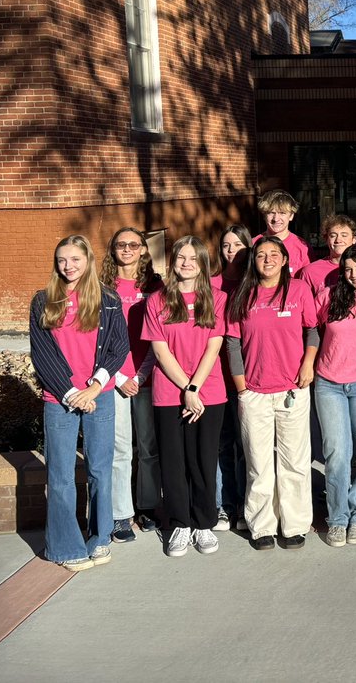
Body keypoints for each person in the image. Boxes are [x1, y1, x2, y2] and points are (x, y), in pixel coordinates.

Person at [29, 235, 129, 571]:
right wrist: (72, 393)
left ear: (88, 260)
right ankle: (65, 546)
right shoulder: (43, 301)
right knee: (59, 475)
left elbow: (119, 347)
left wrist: (95, 386)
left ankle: (100, 540)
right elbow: (42, 355)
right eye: (62, 260)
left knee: (100, 469)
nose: (68, 266)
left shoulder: (109, 300)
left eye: (75, 259)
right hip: (59, 399)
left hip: (98, 396)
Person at [226, 236, 317, 551]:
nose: (267, 259)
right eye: (261, 254)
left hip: (293, 388)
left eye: (273, 254)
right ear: (254, 260)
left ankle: (293, 525)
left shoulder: (299, 290)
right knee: (259, 463)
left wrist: (308, 364)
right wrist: (241, 386)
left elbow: (313, 330)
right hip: (255, 392)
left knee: (294, 462)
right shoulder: (242, 294)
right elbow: (233, 343)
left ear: (284, 258)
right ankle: (262, 526)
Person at [143, 235, 228, 558]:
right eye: (181, 257)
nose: (187, 263)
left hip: (210, 392)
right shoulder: (157, 301)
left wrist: (195, 388)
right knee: (174, 462)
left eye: (194, 257)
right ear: (173, 261)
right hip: (168, 394)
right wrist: (186, 389)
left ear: (203, 263)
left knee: (203, 460)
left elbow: (214, 345)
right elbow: (160, 352)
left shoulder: (217, 299)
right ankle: (180, 523)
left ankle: (203, 523)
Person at [309, 244, 356, 547]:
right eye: (347, 269)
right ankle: (338, 517)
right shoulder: (328, 297)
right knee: (337, 453)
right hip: (329, 383)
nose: (353, 274)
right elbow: (310, 330)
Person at [99, 227, 163, 543]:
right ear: (113, 251)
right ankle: (121, 514)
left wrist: (140, 374)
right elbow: (97, 339)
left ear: (142, 250)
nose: (127, 249)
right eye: (121, 244)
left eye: (133, 244)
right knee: (121, 449)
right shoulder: (102, 289)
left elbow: (159, 335)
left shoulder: (155, 287)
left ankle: (149, 506)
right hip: (113, 379)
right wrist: (121, 377)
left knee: (150, 448)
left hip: (147, 377)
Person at [211, 224, 252, 531]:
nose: (231, 251)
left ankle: (246, 505)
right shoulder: (210, 283)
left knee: (248, 446)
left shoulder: (255, 284)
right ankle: (225, 505)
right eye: (226, 245)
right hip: (216, 378)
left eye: (237, 245)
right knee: (223, 445)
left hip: (249, 378)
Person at [299, 213, 356, 294]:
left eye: (344, 235)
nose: (338, 240)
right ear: (326, 239)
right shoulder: (310, 272)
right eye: (333, 235)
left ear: (354, 239)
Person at [255, 189, 310, 276]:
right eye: (271, 213)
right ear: (264, 215)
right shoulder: (253, 244)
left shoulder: (303, 247)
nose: (276, 219)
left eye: (282, 213)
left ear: (291, 216)